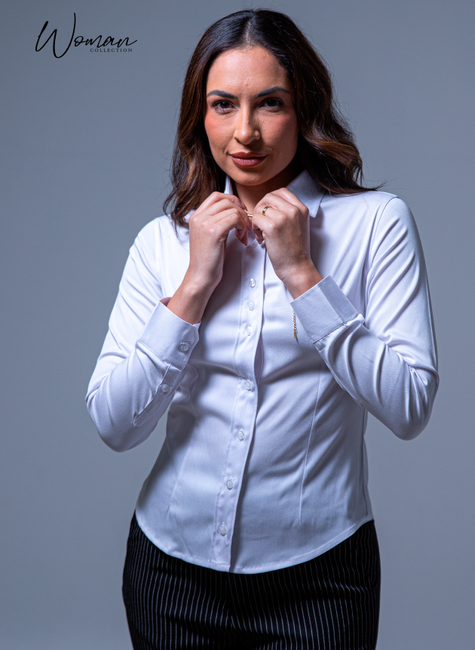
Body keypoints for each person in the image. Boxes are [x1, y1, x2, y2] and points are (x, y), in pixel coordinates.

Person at [86, 9, 438, 650]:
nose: (244, 131)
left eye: (269, 103)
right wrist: (193, 287)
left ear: (304, 109)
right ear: (200, 116)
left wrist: (304, 275)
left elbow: (410, 406)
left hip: (322, 578)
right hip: (169, 573)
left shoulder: (376, 224)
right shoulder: (161, 243)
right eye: (223, 105)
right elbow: (115, 424)